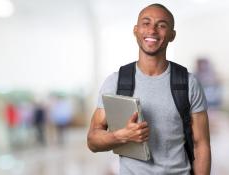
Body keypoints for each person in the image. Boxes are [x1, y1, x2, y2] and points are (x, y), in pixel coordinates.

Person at [87, 3, 211, 175]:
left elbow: (201, 144)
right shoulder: (115, 82)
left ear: (172, 35)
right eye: (146, 23)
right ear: (136, 30)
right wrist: (122, 136)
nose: (152, 30)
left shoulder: (188, 83)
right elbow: (93, 141)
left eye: (161, 25)